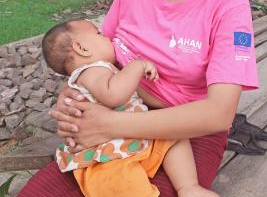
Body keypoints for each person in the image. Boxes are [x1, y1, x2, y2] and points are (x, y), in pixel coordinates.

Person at [19, 0, 259, 197]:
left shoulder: (229, 5)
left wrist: (110, 125)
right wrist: (75, 92)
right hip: (118, 108)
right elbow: (106, 49)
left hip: (186, 133)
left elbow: (219, 113)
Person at [41, 19, 218, 197]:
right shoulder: (92, 71)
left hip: (130, 138)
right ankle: (188, 188)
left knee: (175, 138)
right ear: (82, 49)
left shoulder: (98, 71)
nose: (107, 37)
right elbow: (113, 96)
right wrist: (137, 65)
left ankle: (188, 188)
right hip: (108, 157)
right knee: (124, 185)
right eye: (99, 34)